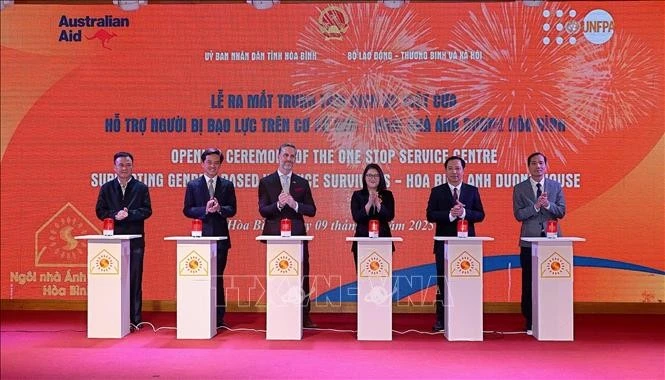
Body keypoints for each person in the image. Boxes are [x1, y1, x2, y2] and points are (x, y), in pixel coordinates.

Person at [258, 143, 318, 328]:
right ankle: (277, 313)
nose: (288, 159)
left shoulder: (302, 183)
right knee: (278, 274)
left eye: (292, 156)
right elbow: (263, 210)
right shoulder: (266, 182)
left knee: (301, 275)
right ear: (278, 156)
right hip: (275, 236)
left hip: (298, 237)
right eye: (286, 155)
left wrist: (294, 205)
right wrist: (277, 205)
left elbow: (312, 210)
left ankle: (304, 316)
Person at [426, 155, 485, 332]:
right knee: (443, 282)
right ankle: (441, 320)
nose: (454, 172)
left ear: (463, 170)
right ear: (445, 171)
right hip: (444, 245)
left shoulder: (472, 190)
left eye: (458, 168)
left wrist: (465, 213)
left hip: (468, 247)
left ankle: (467, 316)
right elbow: (430, 215)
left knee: (466, 281)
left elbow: (481, 215)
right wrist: (450, 214)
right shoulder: (437, 191)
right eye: (450, 168)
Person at [95, 152, 152, 328]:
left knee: (134, 279)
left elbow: (147, 211)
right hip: (113, 240)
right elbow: (100, 211)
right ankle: (113, 316)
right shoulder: (106, 188)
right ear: (115, 167)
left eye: (128, 165)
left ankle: (134, 319)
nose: (125, 168)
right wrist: (114, 215)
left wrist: (129, 214)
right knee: (114, 279)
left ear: (132, 167)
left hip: (135, 240)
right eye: (121, 165)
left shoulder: (141, 187)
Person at [183, 148, 237, 327]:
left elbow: (232, 210)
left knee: (217, 277)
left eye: (216, 163)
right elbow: (187, 210)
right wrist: (205, 210)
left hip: (221, 239)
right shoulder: (193, 185)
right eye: (209, 162)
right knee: (200, 277)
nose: (212, 166)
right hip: (200, 239)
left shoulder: (227, 185)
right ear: (202, 164)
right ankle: (199, 313)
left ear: (220, 165)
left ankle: (219, 317)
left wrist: (220, 208)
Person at [513, 152, 566, 333]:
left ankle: (553, 317)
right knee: (529, 281)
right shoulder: (520, 188)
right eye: (534, 163)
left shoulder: (555, 186)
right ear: (529, 167)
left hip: (553, 243)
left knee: (553, 280)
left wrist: (548, 205)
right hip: (529, 241)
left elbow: (561, 211)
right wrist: (536, 206)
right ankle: (529, 320)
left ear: (546, 165)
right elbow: (519, 215)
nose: (538, 166)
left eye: (541, 163)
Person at [350, 163, 395, 267]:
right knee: (364, 278)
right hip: (362, 241)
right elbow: (356, 217)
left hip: (383, 240)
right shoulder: (357, 195)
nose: (372, 178)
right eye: (369, 175)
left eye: (376, 175)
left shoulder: (388, 195)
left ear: (380, 177)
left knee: (382, 278)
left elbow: (390, 216)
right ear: (364, 177)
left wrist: (378, 204)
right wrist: (369, 203)